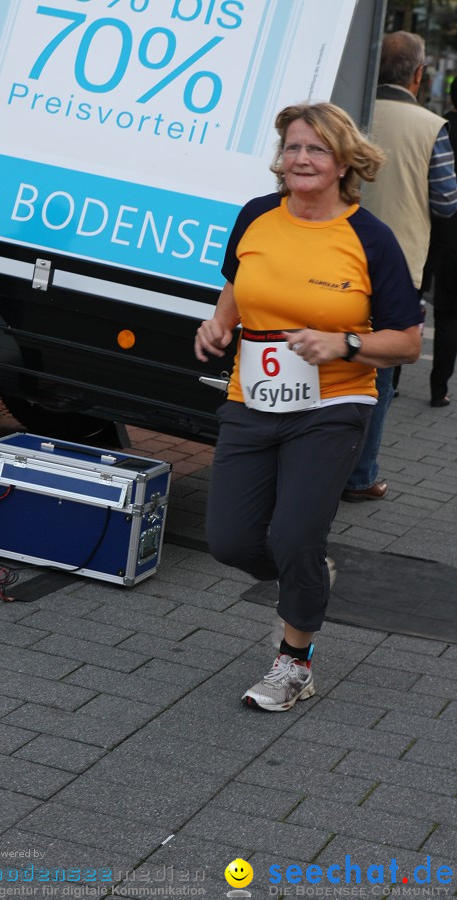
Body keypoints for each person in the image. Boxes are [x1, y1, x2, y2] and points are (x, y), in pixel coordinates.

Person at [195, 102, 421, 713]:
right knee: (231, 541)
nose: (301, 159)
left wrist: (344, 342)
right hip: (253, 398)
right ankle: (308, 576)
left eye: (316, 149)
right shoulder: (257, 217)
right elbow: (238, 283)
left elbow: (407, 341)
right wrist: (217, 324)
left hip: (335, 402)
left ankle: (293, 661)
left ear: (344, 161)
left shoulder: (369, 238)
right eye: (293, 147)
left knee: (296, 532)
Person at [342, 31, 457, 502]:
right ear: (417, 74)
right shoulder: (432, 126)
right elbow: (447, 202)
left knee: (328, 355)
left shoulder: (347, 110)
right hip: (399, 265)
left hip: (332, 253)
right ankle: (360, 474)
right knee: (380, 372)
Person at [429, 76, 457, 407]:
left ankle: (392, 381)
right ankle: (439, 388)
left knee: (443, 312)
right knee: (452, 318)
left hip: (443, 231)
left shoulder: (442, 129)